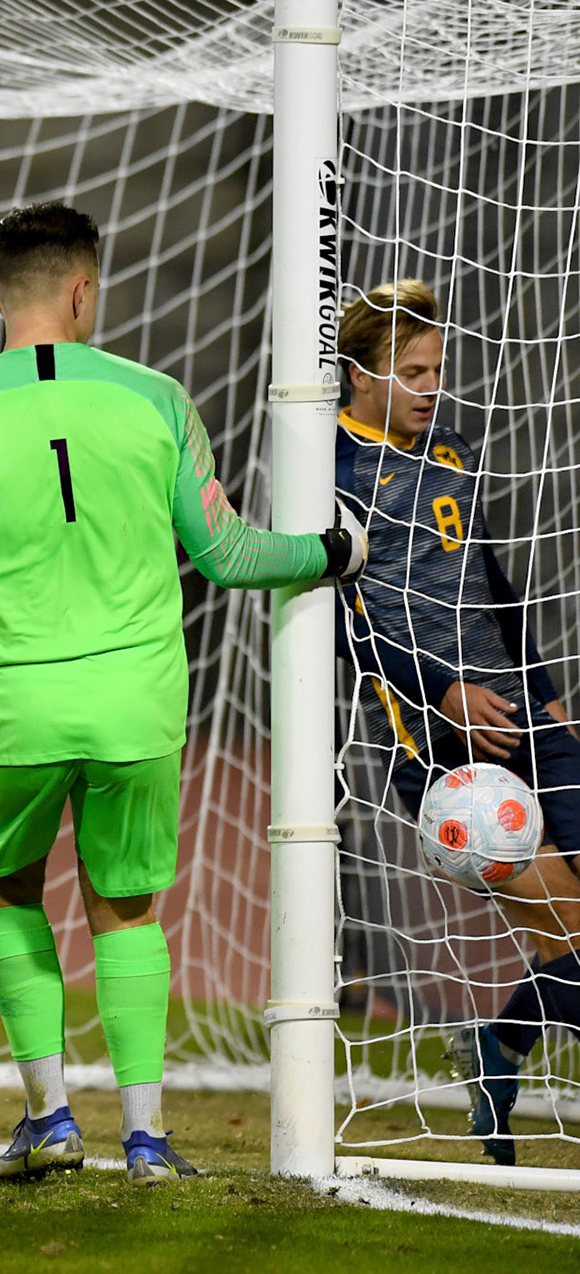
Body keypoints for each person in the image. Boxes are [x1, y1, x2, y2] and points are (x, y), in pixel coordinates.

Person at [0, 201, 362, 1186]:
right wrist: (332, 548)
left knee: (11, 890)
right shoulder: (156, 400)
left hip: (9, 702)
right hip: (135, 704)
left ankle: (50, 1116)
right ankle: (145, 1139)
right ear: (82, 291)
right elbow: (229, 554)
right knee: (128, 909)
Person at [331, 278, 580, 1167]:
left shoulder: (454, 451)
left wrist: (547, 690)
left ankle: (500, 1049)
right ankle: (500, 1050)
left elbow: (492, 580)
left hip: (519, 710)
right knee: (568, 924)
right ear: (360, 376)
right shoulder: (334, 471)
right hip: (436, 745)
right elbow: (343, 623)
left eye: (438, 368)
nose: (433, 385)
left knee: (569, 934)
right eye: (413, 371)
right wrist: (439, 692)